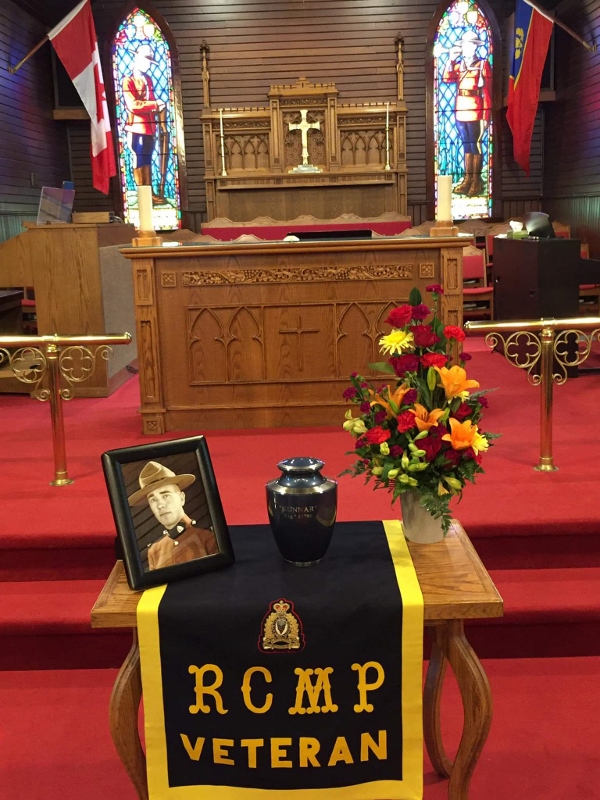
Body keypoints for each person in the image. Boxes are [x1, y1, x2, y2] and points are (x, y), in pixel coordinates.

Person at [128, 461, 218, 571]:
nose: (160, 505)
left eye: (165, 495)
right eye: (153, 500)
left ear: (181, 498)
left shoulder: (209, 536)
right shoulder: (154, 551)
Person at [442, 30, 491, 197]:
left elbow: (487, 91)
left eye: (470, 45)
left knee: (475, 144)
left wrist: (486, 116)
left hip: (476, 110)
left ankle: (476, 180)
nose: (466, 48)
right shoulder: (459, 65)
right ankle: (467, 179)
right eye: (464, 45)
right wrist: (450, 59)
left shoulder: (482, 64)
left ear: (475, 47)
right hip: (461, 109)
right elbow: (447, 78)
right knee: (466, 144)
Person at [122, 43, 167, 203]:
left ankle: (149, 192)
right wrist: (155, 104)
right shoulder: (128, 80)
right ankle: (142, 193)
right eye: (147, 61)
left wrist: (158, 107)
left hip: (150, 128)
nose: (149, 65)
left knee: (147, 159)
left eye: (151, 61)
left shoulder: (148, 79)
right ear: (137, 58)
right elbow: (133, 105)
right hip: (137, 128)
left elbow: (151, 101)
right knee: (139, 159)